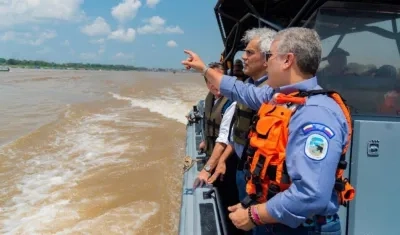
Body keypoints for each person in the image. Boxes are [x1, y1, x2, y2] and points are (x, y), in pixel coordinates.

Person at [182, 27, 354, 234]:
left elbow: (311, 193)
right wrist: (204, 69)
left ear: (287, 60)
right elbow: (241, 91)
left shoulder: (316, 115)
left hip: (303, 228)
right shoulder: (280, 98)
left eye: (270, 56)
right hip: (274, 219)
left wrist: (253, 215)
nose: (267, 62)